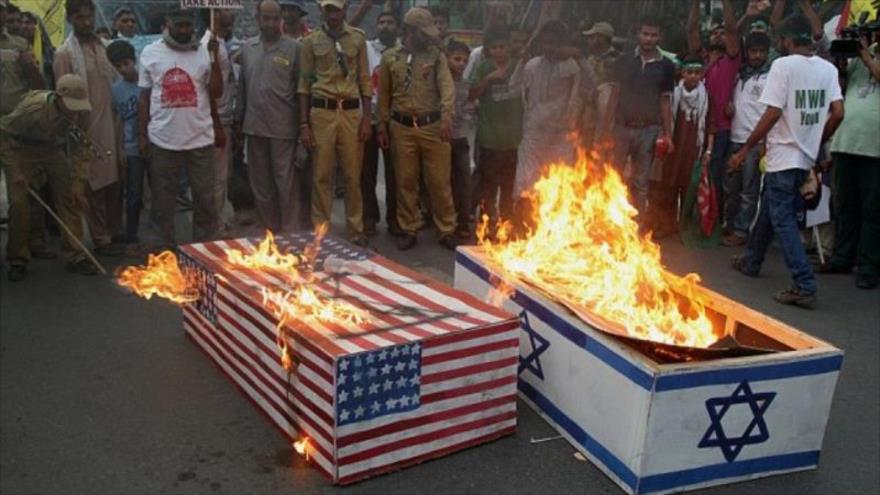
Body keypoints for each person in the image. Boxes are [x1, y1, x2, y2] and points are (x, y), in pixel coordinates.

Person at [729, 14, 844, 309]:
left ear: (788, 40)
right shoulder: (828, 69)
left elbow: (772, 113)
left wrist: (746, 149)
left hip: (783, 155)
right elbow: (839, 112)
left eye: (780, 40)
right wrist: (817, 140)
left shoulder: (782, 66)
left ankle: (804, 284)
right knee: (769, 207)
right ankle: (752, 260)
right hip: (804, 157)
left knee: (782, 219)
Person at [138, 7, 223, 248]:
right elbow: (144, 98)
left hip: (200, 139)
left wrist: (215, 59)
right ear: (168, 24)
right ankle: (162, 252)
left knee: (205, 201)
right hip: (163, 140)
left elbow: (215, 92)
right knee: (163, 202)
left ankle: (205, 251)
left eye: (188, 25)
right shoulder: (150, 53)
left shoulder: (204, 52)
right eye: (179, 26)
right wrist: (142, 134)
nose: (185, 30)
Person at [0, 74, 99, 280]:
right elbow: (3, 134)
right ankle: (18, 258)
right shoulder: (33, 110)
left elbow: (83, 149)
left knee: (70, 198)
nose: (74, 112)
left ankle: (76, 254)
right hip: (21, 150)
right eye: (70, 106)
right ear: (58, 97)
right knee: (19, 204)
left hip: (52, 150)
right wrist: (14, 170)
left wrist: (78, 184)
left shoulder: (82, 112)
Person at [377, 7, 458, 251]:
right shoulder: (390, 57)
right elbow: (384, 96)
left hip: (432, 126)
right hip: (401, 127)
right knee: (405, 181)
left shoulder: (436, 56)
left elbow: (447, 88)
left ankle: (446, 228)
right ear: (411, 31)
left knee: (439, 181)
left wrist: (446, 117)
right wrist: (382, 126)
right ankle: (408, 227)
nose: (430, 37)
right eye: (424, 32)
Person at [54, 0, 125, 257]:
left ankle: (114, 232)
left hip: (112, 124)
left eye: (89, 17)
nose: (87, 22)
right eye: (81, 18)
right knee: (92, 184)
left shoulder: (107, 47)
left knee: (116, 181)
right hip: (85, 128)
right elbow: (63, 98)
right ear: (71, 19)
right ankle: (100, 238)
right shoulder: (64, 54)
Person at [298, 0, 372, 245]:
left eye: (337, 9)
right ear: (322, 10)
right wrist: (304, 124)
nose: (333, 14)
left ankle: (355, 229)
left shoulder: (358, 39)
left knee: (353, 174)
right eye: (329, 9)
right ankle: (321, 231)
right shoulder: (310, 42)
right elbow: (305, 85)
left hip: (350, 113)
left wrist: (366, 119)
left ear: (345, 10)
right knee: (322, 175)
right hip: (322, 112)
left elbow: (364, 81)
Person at [236, 0, 300, 234]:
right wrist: (238, 122)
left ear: (281, 19)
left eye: (275, 18)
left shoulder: (294, 49)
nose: (271, 23)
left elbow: (301, 91)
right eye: (266, 18)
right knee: (261, 185)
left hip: (283, 128)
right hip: (254, 127)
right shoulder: (248, 49)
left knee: (285, 184)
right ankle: (269, 234)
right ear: (258, 19)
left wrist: (303, 126)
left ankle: (290, 233)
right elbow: (242, 89)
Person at [822, 30, 880, 290]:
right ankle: (842, 257)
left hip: (875, 146)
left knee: (873, 209)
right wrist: (843, 66)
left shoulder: (867, 53)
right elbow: (845, 88)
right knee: (845, 204)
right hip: (847, 142)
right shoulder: (867, 50)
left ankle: (868, 266)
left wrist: (864, 54)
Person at [606, 16, 674, 216]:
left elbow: (665, 101)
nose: (649, 39)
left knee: (641, 182)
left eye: (653, 35)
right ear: (638, 34)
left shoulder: (667, 66)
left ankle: (637, 228)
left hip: (648, 130)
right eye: (645, 34)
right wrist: (606, 128)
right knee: (614, 176)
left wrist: (668, 134)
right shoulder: (624, 60)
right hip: (622, 127)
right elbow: (614, 94)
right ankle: (610, 221)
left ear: (660, 37)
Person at [687, 0, 740, 227]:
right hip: (693, 128)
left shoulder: (731, 60)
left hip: (719, 129)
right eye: (715, 32)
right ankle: (689, 219)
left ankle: (713, 223)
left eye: (722, 33)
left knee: (714, 175)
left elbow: (732, 29)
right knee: (691, 173)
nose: (719, 34)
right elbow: (691, 29)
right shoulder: (699, 61)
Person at [653, 56, 712, 239]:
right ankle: (666, 224)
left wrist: (708, 151)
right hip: (674, 147)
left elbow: (711, 127)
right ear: (682, 73)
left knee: (689, 189)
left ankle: (684, 226)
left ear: (702, 75)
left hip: (693, 149)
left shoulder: (706, 97)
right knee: (669, 186)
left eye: (697, 72)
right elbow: (665, 118)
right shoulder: (674, 94)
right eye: (689, 72)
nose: (693, 76)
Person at [469, 25, 522, 231]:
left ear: (509, 47)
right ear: (489, 50)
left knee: (508, 187)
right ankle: (486, 224)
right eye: (494, 47)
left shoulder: (519, 66)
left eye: (503, 47)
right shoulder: (483, 67)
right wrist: (490, 78)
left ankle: (505, 225)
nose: (499, 51)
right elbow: (471, 94)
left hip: (513, 140)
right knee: (488, 186)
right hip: (489, 138)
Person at [722, 32, 771, 247]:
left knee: (749, 191)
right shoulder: (738, 75)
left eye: (761, 51)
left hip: (755, 142)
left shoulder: (771, 77)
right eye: (753, 51)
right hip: (735, 138)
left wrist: (764, 143)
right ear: (747, 52)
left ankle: (742, 231)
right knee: (731, 187)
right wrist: (729, 108)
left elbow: (772, 112)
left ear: (768, 53)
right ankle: (729, 225)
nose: (757, 55)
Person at [362, 10, 401, 237]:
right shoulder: (366, 48)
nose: (385, 26)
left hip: (394, 120)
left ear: (397, 28)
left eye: (390, 22)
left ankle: (395, 220)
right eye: (382, 22)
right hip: (369, 117)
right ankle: (369, 218)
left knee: (395, 173)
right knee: (366, 171)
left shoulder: (402, 52)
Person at [107, 40, 145, 250]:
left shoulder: (147, 82)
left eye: (126, 63)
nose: (123, 69)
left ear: (134, 60)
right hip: (131, 149)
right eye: (118, 66)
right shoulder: (116, 89)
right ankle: (131, 235)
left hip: (154, 144)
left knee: (158, 190)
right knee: (133, 194)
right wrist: (120, 147)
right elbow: (119, 120)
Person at [202, 9, 235, 234]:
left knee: (222, 176)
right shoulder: (209, 44)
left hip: (225, 116)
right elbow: (209, 89)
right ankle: (215, 226)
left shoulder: (220, 42)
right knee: (216, 177)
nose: (232, 12)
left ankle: (218, 219)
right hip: (217, 118)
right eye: (226, 8)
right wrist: (217, 124)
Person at [446, 39, 474, 239]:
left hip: (460, 138)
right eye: (456, 59)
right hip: (442, 138)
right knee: (444, 182)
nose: (461, 64)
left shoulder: (466, 84)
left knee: (464, 179)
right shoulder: (440, 82)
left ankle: (463, 220)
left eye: (465, 60)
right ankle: (445, 220)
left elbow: (469, 108)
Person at [583, 21, 619, 147]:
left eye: (592, 37)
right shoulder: (591, 58)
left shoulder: (616, 60)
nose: (589, 41)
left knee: (600, 145)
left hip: (605, 112)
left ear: (601, 38)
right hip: (588, 109)